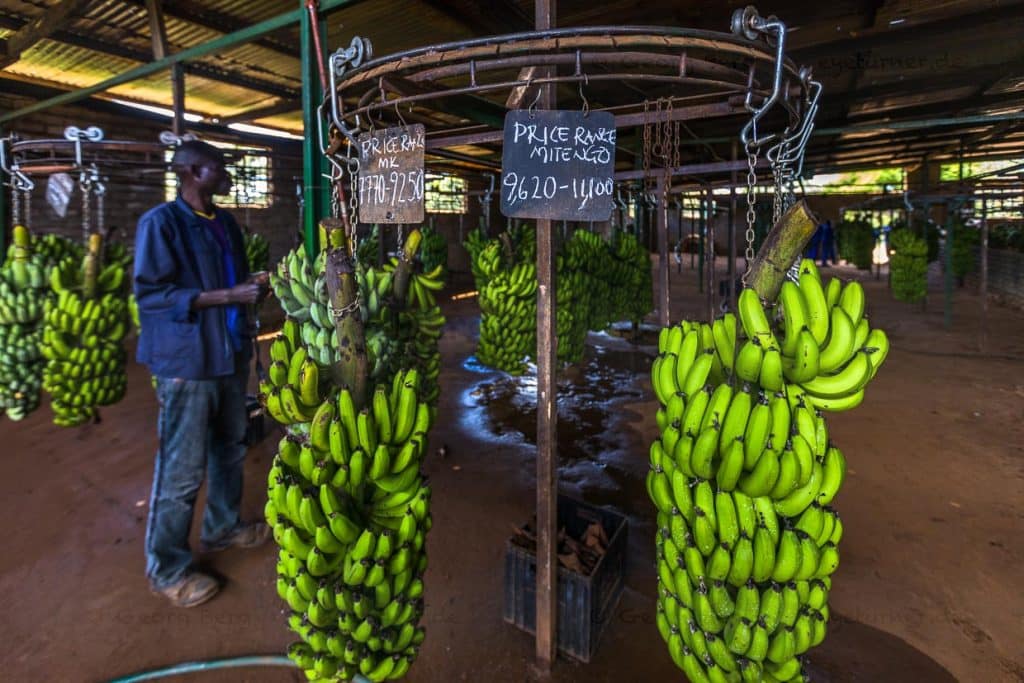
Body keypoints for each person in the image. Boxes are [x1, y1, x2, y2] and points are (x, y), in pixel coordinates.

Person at [134, 140, 270, 608]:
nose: (228, 175)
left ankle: (222, 528)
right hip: (186, 365)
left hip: (229, 355)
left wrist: (253, 291)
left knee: (230, 448)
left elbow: (237, 285)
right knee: (182, 469)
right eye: (219, 168)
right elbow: (153, 295)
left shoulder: (227, 223)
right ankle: (167, 569)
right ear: (193, 171)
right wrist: (229, 296)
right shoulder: (161, 224)